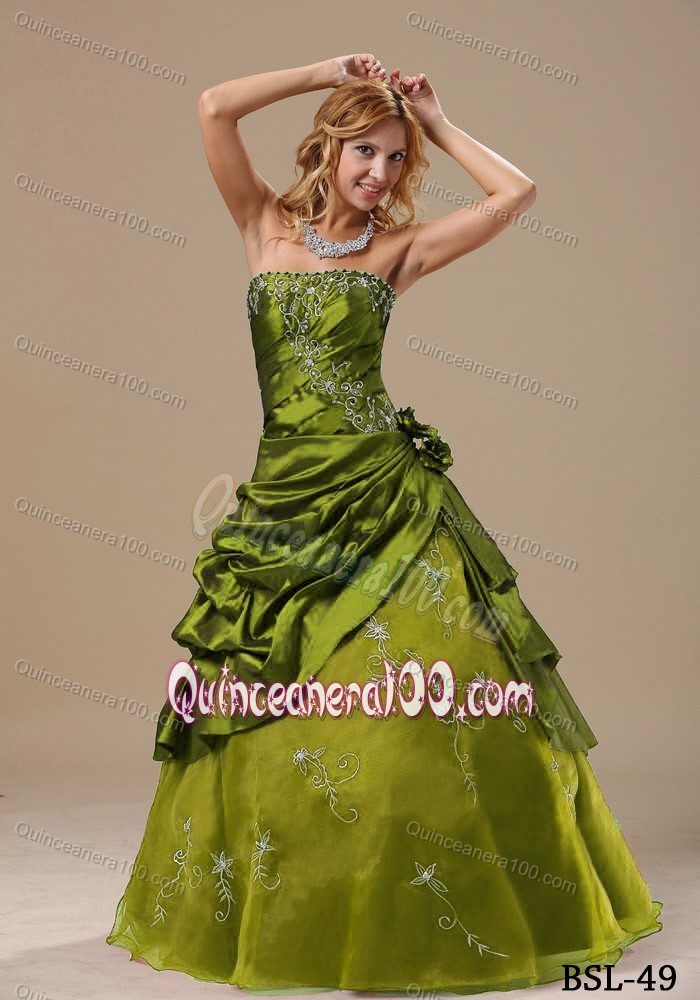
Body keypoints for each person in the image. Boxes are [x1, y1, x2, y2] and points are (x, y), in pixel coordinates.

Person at [106, 53, 662, 994]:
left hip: (386, 496)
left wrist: (436, 122)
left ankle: (444, 907)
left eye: (397, 159)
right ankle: (300, 906)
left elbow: (517, 193)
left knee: (434, 703)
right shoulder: (263, 226)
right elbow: (214, 107)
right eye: (365, 150)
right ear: (328, 148)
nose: (380, 171)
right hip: (287, 500)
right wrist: (327, 69)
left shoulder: (397, 253)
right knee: (269, 697)